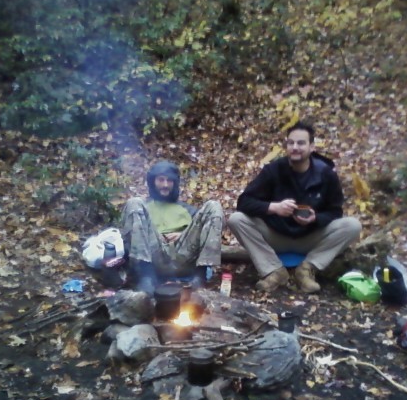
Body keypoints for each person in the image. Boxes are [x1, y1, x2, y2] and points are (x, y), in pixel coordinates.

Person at [228, 122, 361, 293]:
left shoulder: (326, 174)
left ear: (312, 146)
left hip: (310, 237)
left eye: (301, 143)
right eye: (291, 143)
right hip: (275, 235)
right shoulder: (273, 170)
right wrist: (274, 207)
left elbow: (335, 211)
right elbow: (244, 202)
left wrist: (316, 218)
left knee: (352, 226)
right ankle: (274, 271)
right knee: (236, 219)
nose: (295, 147)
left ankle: (307, 269)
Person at [120, 161, 224, 295]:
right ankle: (146, 279)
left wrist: (181, 234)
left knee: (213, 206)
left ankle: (200, 277)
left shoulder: (188, 209)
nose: (165, 185)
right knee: (133, 202)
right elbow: (129, 236)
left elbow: (199, 234)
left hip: (183, 256)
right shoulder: (142, 207)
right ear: (153, 182)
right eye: (161, 180)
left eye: (169, 181)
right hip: (153, 257)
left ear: (175, 183)